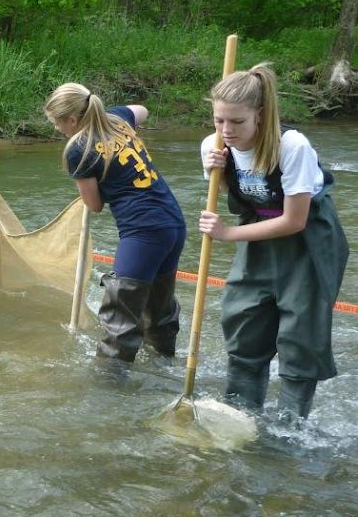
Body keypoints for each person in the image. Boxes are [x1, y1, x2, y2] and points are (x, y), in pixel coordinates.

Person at [198, 64, 347, 422]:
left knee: (300, 338)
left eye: (237, 122)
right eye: (219, 121)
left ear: (259, 116)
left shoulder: (291, 145)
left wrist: (227, 234)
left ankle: (289, 433)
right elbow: (239, 198)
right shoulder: (214, 146)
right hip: (258, 235)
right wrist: (216, 172)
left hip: (308, 242)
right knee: (244, 320)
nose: (226, 130)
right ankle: (239, 419)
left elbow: (294, 220)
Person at [44, 83, 185, 364]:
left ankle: (107, 392)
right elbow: (142, 110)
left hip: (142, 232)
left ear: (72, 120)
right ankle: (164, 366)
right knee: (159, 311)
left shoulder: (78, 150)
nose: (58, 130)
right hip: (172, 222)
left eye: (57, 124)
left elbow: (94, 206)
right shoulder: (117, 118)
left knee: (119, 319)